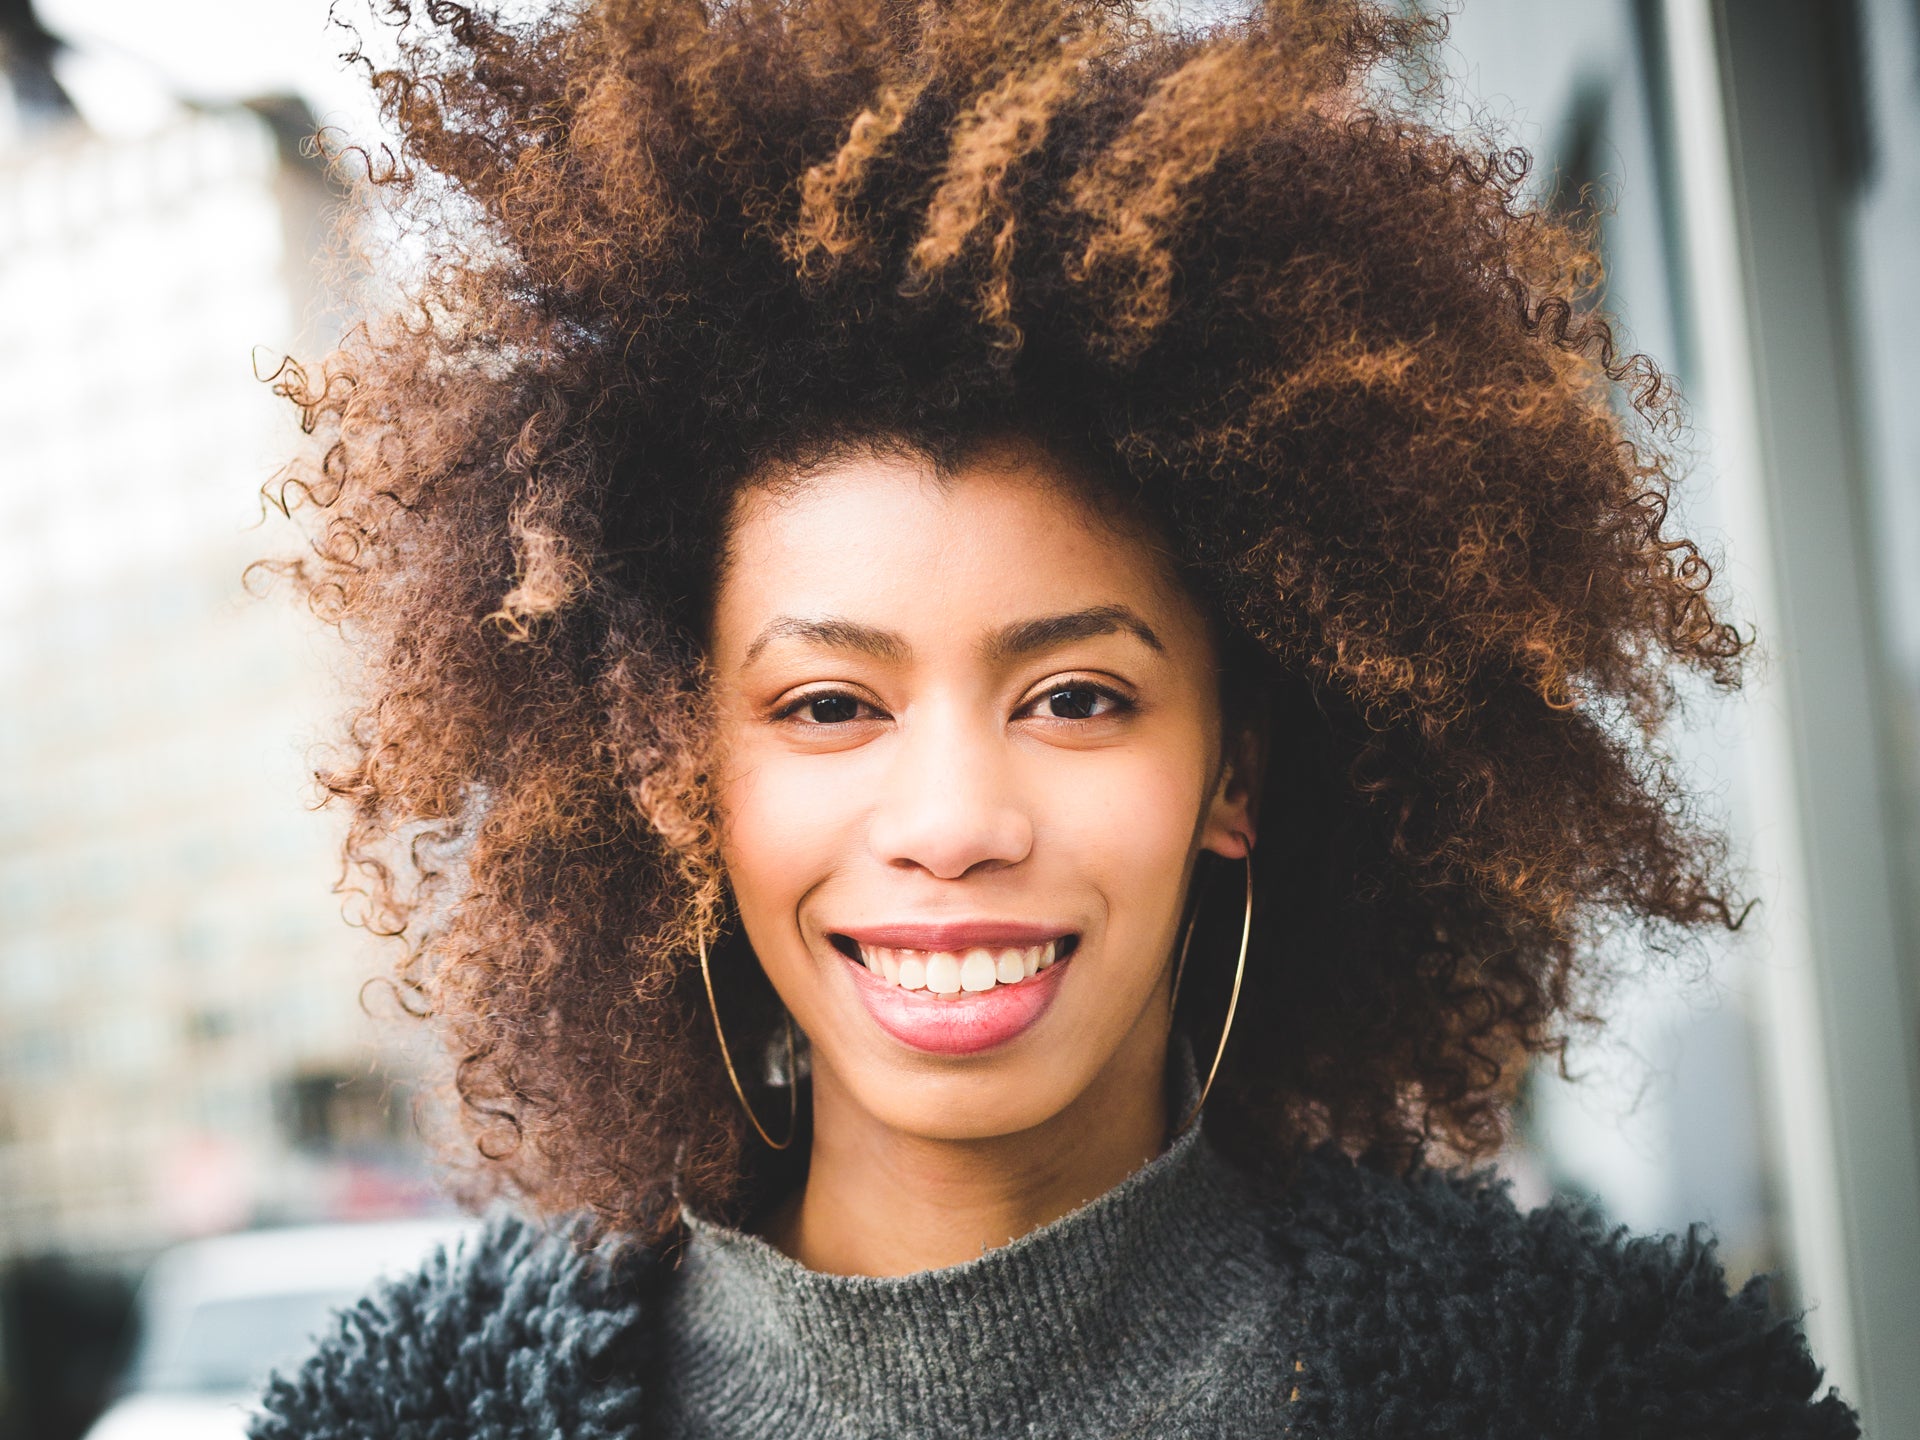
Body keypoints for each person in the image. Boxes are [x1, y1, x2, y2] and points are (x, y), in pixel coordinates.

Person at [249, 0, 1860, 1435]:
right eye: (828, 705)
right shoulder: (408, 1418)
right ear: (679, 784)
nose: (953, 822)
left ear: (1233, 769)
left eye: (1076, 697)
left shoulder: (1605, 1392)